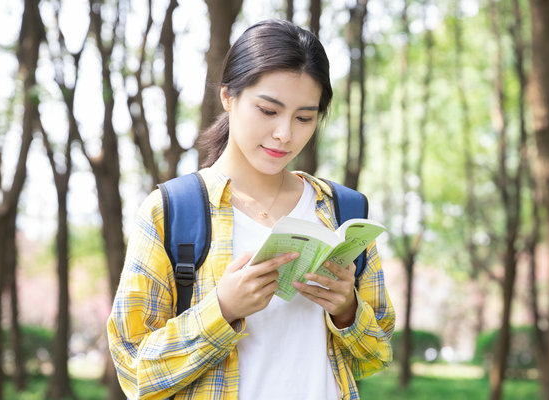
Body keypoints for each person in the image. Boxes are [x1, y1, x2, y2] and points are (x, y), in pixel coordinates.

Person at [107, 19, 395, 400]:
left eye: (304, 117)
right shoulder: (172, 211)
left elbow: (376, 356)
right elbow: (135, 372)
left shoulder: (340, 209)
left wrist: (346, 311)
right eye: (268, 110)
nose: (284, 134)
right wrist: (222, 309)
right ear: (228, 96)